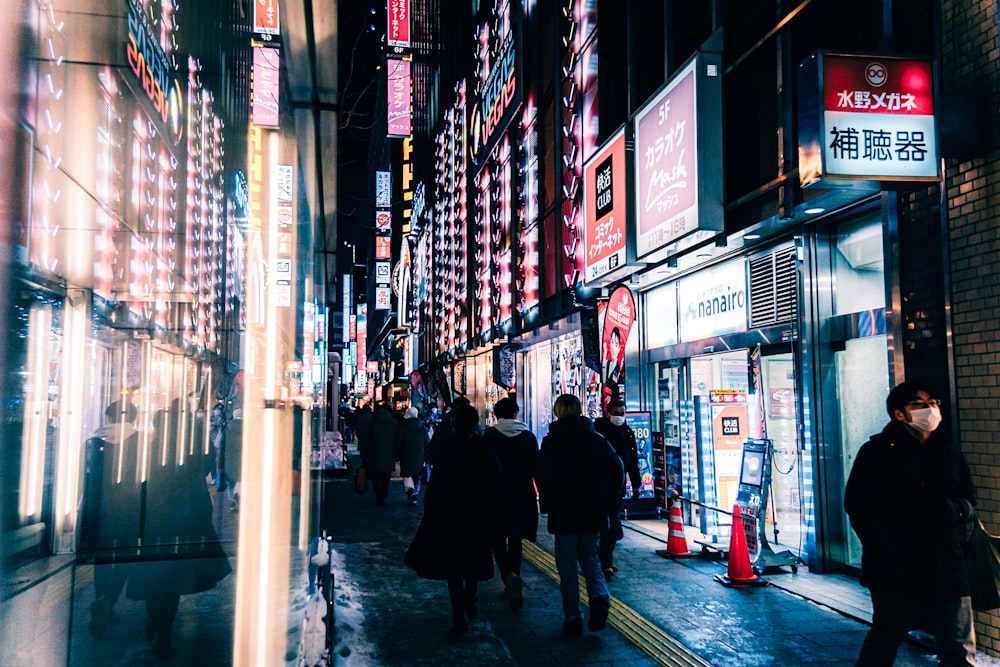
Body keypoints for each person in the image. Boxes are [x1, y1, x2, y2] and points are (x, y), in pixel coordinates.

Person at [844, 380, 976, 667]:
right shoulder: (878, 451)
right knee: (886, 638)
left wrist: (954, 510)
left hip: (948, 563)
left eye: (934, 403)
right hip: (896, 565)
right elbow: (858, 506)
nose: (930, 410)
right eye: (920, 404)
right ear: (899, 413)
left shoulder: (948, 449)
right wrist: (883, 550)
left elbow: (968, 498)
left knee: (957, 647)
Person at [127, 403, 231, 658]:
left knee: (154, 570)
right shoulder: (194, 450)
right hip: (186, 519)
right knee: (172, 580)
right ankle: (163, 635)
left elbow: (141, 478)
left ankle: (152, 619)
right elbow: (208, 465)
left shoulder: (151, 448)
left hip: (154, 518)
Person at [404, 404, 501, 638]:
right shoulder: (484, 446)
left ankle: (459, 613)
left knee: (454, 566)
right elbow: (496, 478)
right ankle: (470, 601)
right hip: (478, 513)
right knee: (474, 561)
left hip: (452, 515)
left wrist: (432, 513)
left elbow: (437, 484)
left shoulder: (449, 447)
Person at [537, 393, 623, 638]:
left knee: (566, 564)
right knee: (590, 557)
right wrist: (607, 501)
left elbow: (542, 475)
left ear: (558, 412)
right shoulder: (596, 439)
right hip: (592, 510)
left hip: (563, 513)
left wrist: (547, 504)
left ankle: (573, 616)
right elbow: (617, 469)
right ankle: (600, 595)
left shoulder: (551, 442)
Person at [83, 399, 141, 638]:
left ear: (108, 417)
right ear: (133, 419)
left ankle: (101, 601)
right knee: (127, 557)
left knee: (102, 559)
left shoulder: (93, 442)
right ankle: (109, 599)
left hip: (99, 509)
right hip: (130, 509)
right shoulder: (140, 442)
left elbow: (86, 477)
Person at [484, 396, 539, 611]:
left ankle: (507, 577)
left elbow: (484, 468)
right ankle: (514, 574)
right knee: (516, 539)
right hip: (522, 494)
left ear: (496, 415)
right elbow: (537, 469)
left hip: (496, 495)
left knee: (497, 540)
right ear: (516, 413)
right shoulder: (528, 437)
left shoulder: (490, 435)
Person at [594, 398, 641, 580]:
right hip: (597, 486)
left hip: (617, 487)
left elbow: (633, 460)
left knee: (612, 523)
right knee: (600, 524)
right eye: (616, 413)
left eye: (622, 413)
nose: (620, 417)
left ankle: (606, 559)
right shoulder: (597, 431)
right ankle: (599, 559)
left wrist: (636, 484)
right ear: (607, 413)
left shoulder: (627, 432)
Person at [362, 403, 399, 507]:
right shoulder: (393, 423)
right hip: (389, 454)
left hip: (374, 454)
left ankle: (379, 495)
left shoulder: (371, 423)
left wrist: (364, 455)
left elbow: (366, 440)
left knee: (375, 476)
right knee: (386, 477)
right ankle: (384, 494)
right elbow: (397, 439)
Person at [398, 406, 428, 506]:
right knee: (417, 475)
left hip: (405, 454)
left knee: (407, 474)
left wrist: (397, 455)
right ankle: (415, 493)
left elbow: (399, 443)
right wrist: (427, 458)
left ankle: (410, 491)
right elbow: (427, 443)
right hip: (419, 454)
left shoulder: (403, 426)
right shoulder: (422, 427)